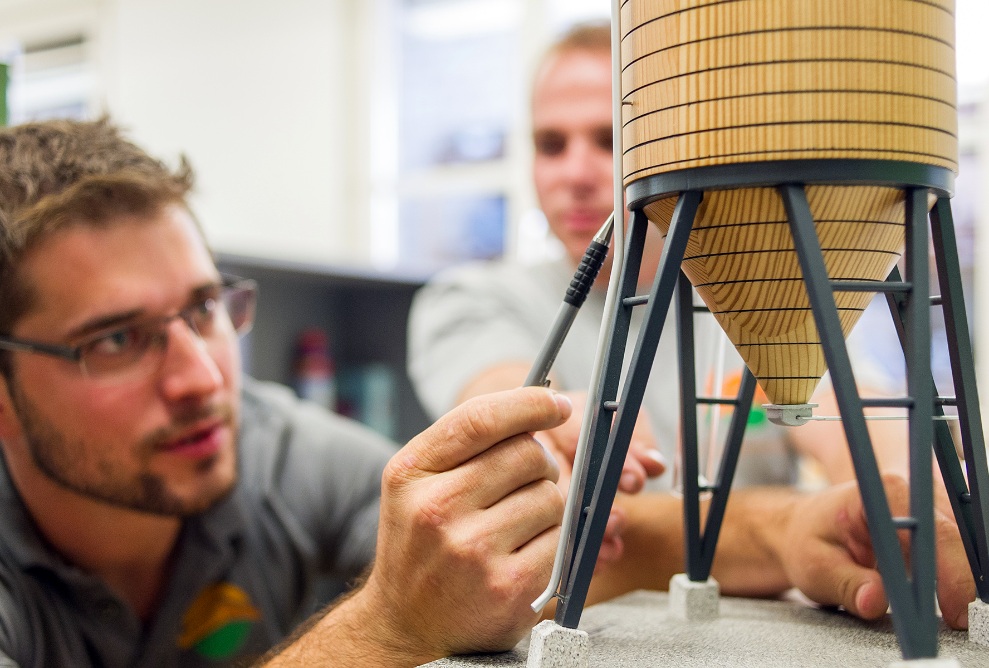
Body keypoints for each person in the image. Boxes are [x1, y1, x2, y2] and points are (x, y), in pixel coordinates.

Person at [0, 119, 973, 668]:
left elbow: (540, 551)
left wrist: (791, 530)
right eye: (116, 339)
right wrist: (385, 621)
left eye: (207, 307)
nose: (203, 374)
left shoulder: (281, 452)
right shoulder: (476, 296)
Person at [408, 21, 912, 493]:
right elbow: (506, 420)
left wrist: (900, 492)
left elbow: (864, 434)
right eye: (551, 144)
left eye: (610, 141)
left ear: (672, 150)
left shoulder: (768, 294)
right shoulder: (470, 300)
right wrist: (550, 422)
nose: (576, 175)